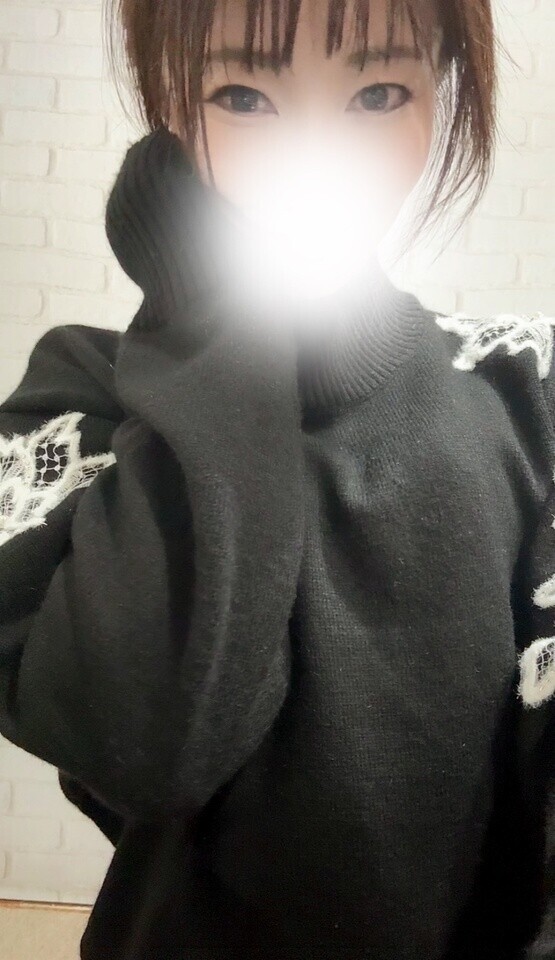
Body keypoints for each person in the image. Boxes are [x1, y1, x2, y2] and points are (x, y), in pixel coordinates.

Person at [1, 0, 554, 957]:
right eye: (242, 96)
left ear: (438, 98)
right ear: (170, 109)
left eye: (376, 94)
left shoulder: (530, 392)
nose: (314, 162)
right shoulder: (76, 400)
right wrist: (207, 315)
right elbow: (147, 747)